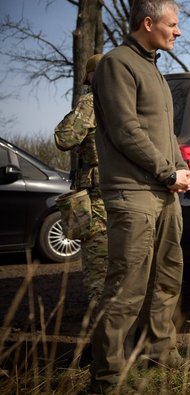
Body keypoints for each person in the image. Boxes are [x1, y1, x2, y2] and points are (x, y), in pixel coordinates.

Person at [89, 0, 190, 392]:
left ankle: (159, 356)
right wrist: (169, 172)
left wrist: (181, 169)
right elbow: (126, 132)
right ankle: (108, 378)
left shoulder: (154, 70)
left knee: (168, 278)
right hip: (133, 194)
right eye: (172, 24)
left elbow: (162, 133)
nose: (177, 32)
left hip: (165, 193)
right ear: (147, 23)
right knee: (126, 288)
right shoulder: (117, 64)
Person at [54, 53, 107, 325]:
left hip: (96, 198)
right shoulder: (131, 101)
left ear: (88, 76)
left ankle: (103, 345)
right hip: (127, 194)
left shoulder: (90, 102)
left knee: (98, 270)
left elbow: (64, 138)